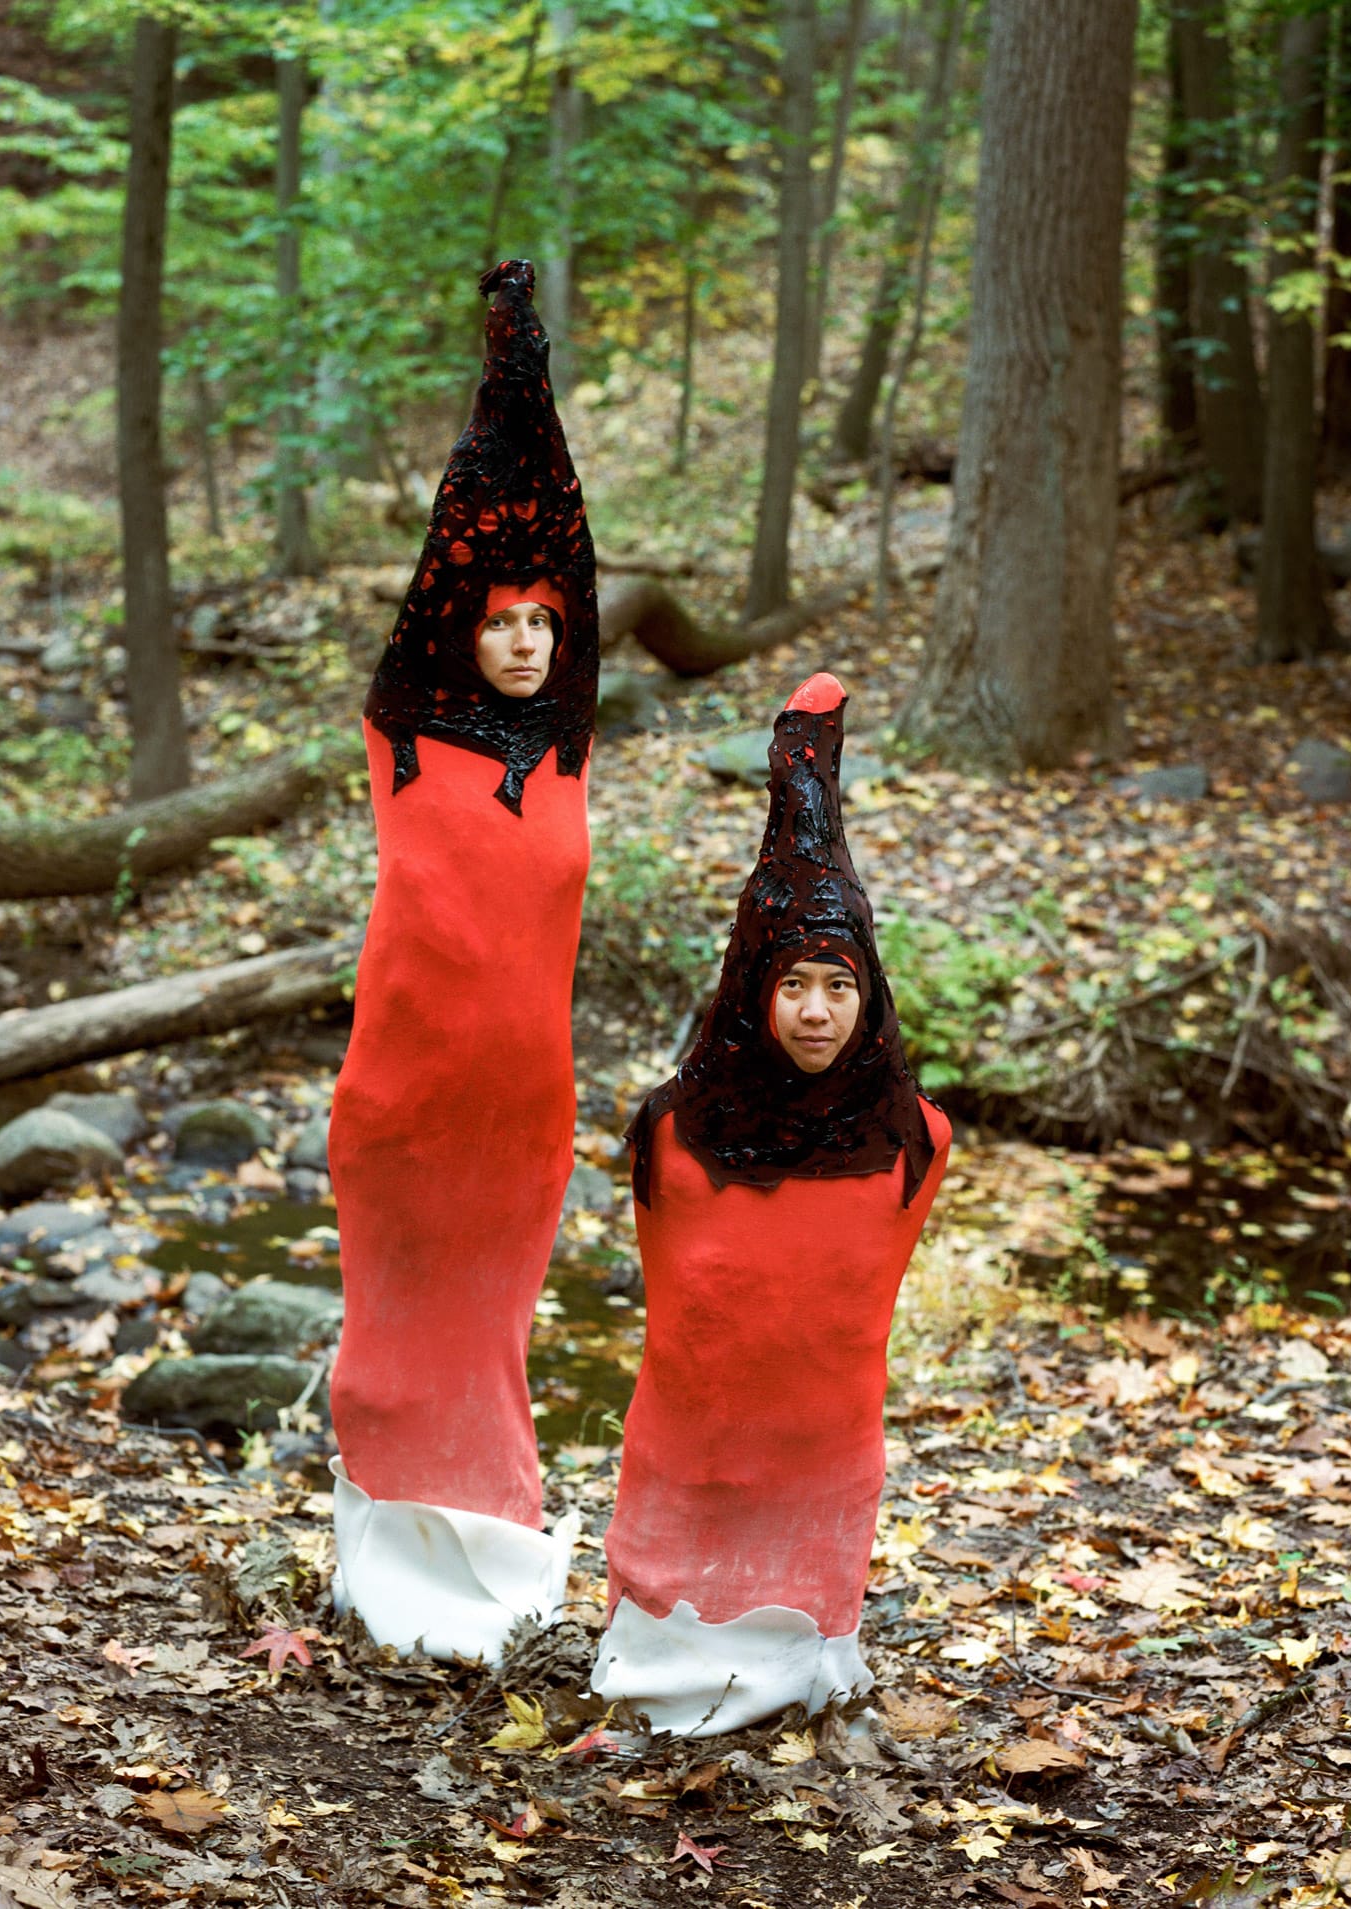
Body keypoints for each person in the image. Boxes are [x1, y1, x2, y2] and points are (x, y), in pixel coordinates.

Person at [591, 671, 950, 1735]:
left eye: (840, 984)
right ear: (753, 990)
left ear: (870, 996)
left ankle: (802, 1662)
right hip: (688, 1477)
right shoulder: (671, 1133)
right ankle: (665, 1659)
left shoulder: (914, 1140)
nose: (817, 1009)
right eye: (794, 981)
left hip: (821, 1479)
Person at [327, 259, 596, 1663]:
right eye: (503, 619)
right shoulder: (405, 733)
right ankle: (386, 1570)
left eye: (543, 622)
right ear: (463, 630)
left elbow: (576, 570)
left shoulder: (567, 749)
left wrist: (532, 397)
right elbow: (453, 558)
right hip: (404, 1099)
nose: (525, 637)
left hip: (521, 1108)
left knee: (491, 1330)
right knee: (395, 1337)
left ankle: (489, 1555)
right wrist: (507, 367)